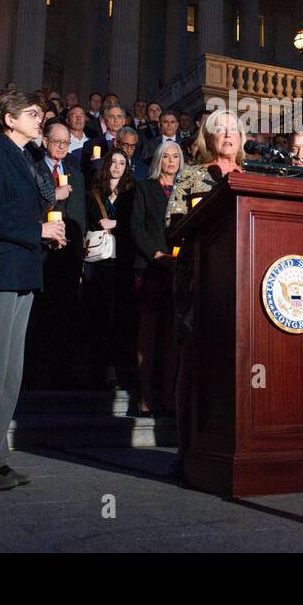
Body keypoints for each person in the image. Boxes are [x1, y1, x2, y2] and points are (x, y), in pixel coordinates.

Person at [0, 88, 67, 490]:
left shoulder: (29, 158)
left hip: (23, 269)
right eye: (32, 114)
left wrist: (46, 233)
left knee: (9, 371)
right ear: (9, 118)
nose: (40, 120)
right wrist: (37, 230)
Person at [165, 107, 248, 479]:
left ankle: (231, 447)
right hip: (199, 279)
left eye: (234, 130)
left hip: (243, 282)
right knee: (194, 361)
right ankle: (186, 450)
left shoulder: (252, 178)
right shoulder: (192, 175)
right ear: (208, 138)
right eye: (220, 130)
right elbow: (173, 227)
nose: (227, 135)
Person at [29, 120, 86, 389]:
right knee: (38, 315)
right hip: (40, 253)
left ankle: (60, 373)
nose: (62, 147)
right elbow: (30, 207)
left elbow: (80, 219)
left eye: (66, 143)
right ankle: (35, 373)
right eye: (57, 142)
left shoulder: (76, 171)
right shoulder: (33, 167)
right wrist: (54, 195)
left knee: (65, 315)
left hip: (67, 258)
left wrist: (76, 254)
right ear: (45, 141)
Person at [130, 139, 182, 416]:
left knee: (172, 339)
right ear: (159, 159)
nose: (171, 161)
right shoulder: (145, 188)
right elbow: (136, 228)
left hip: (177, 269)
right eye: (167, 156)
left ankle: (169, 396)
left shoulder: (185, 191)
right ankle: (145, 395)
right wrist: (158, 254)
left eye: (176, 156)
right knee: (147, 336)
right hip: (150, 268)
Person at [84, 147, 136, 389]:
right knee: (98, 315)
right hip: (99, 260)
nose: (117, 166)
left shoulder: (132, 192)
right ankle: (98, 370)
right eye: (113, 162)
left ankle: (117, 370)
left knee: (121, 315)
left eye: (121, 163)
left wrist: (116, 223)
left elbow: (135, 224)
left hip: (123, 260)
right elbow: (90, 219)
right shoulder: (94, 191)